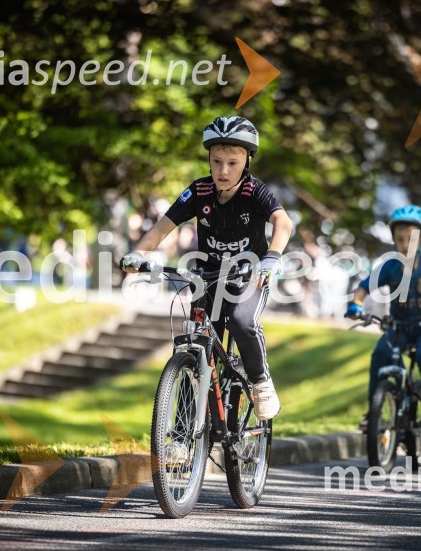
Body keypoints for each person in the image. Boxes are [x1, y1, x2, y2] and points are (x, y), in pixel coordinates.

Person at [120, 116, 294, 421]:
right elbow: (163, 227)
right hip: (207, 279)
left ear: (247, 161)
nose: (223, 171)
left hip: (249, 276)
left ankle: (261, 381)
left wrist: (272, 257)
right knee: (195, 346)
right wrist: (137, 254)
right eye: (216, 162)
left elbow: (283, 221)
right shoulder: (199, 191)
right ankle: (181, 433)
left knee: (241, 321)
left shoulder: (255, 191)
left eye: (232, 162)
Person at [345, 205, 421, 430]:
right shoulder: (390, 267)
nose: (405, 245)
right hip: (399, 327)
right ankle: (372, 411)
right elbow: (363, 287)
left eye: (411, 239)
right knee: (380, 355)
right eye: (400, 239)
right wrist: (356, 304)